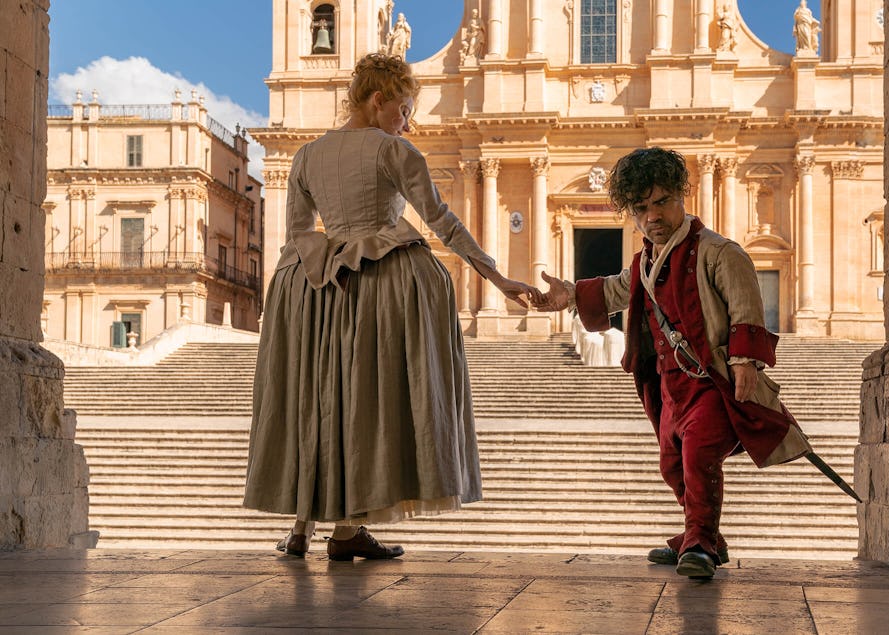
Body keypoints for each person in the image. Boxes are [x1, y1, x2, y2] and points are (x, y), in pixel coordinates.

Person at [243, 53, 540, 560]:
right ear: (379, 101)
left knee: (314, 398)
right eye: (404, 110)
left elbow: (297, 232)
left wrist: (320, 267)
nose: (408, 122)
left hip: (314, 291)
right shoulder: (394, 151)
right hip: (378, 287)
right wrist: (496, 275)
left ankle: (303, 526)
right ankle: (346, 530)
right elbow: (441, 220)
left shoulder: (307, 156)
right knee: (366, 405)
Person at [535, 148, 810, 578]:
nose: (652, 216)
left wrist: (744, 363)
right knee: (671, 461)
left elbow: (745, 307)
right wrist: (569, 295)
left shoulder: (721, 252)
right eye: (641, 208)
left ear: (682, 196)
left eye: (661, 202)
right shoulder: (644, 261)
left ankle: (699, 541)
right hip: (670, 386)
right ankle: (703, 537)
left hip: (711, 380)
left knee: (700, 453)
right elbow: (614, 291)